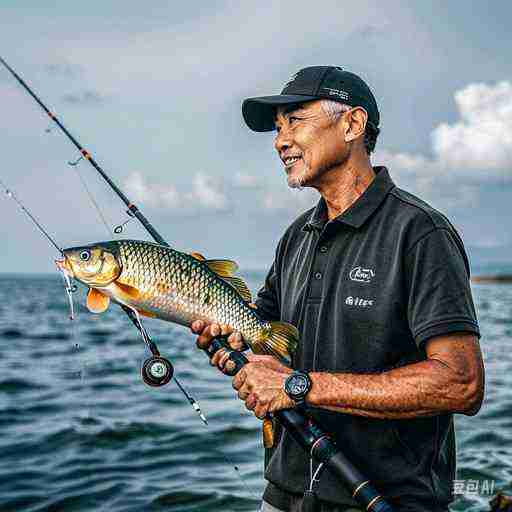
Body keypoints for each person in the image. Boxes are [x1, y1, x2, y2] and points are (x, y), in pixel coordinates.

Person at [192, 66, 485, 512]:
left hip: (386, 499)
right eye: (277, 127)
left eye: (296, 120)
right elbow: (263, 339)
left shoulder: (420, 233)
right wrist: (202, 305)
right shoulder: (296, 236)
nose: (280, 141)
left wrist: (296, 385)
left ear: (352, 124)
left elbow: (460, 383)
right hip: (284, 493)